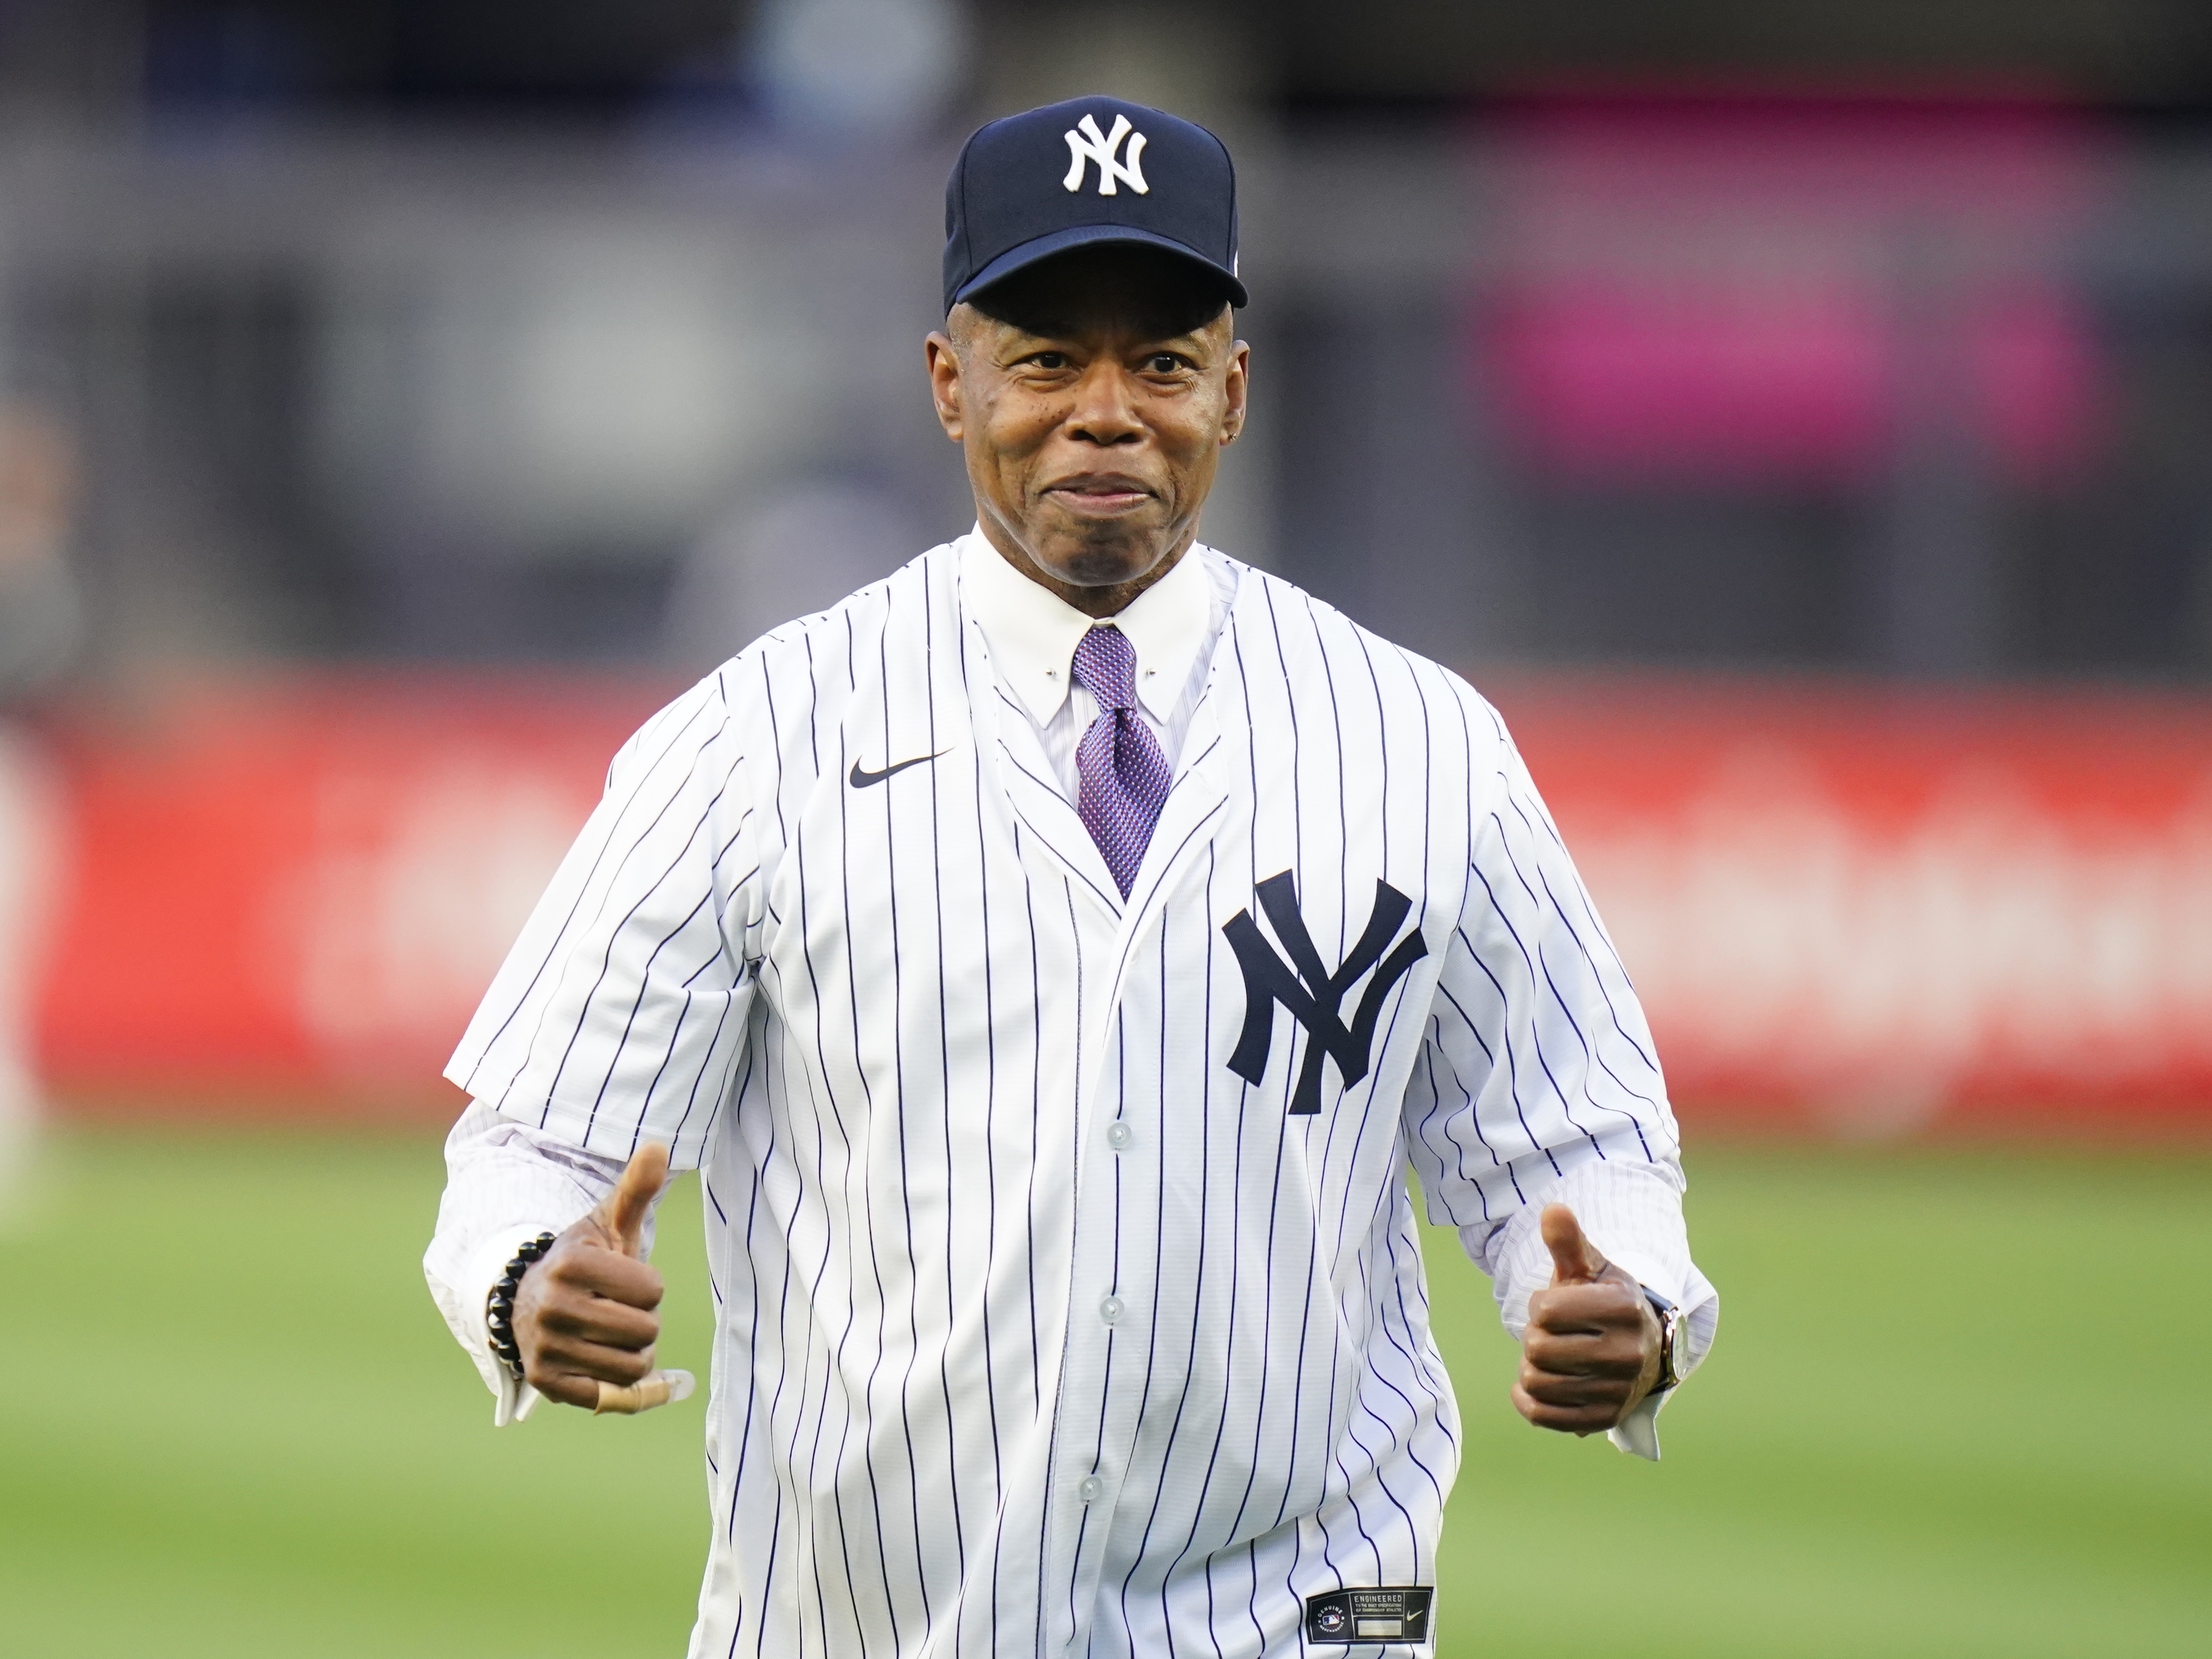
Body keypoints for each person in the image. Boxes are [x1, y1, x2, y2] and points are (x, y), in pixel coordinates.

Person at [426, 96, 1717, 1657]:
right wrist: (524, 1281)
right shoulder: (758, 735)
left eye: (1160, 362)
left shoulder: (1424, 742)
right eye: (1044, 359)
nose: (1106, 410)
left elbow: (1570, 1146)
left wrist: (1626, 1306)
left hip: (1297, 1623)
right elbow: (533, 1145)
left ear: (1232, 394)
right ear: (946, 384)